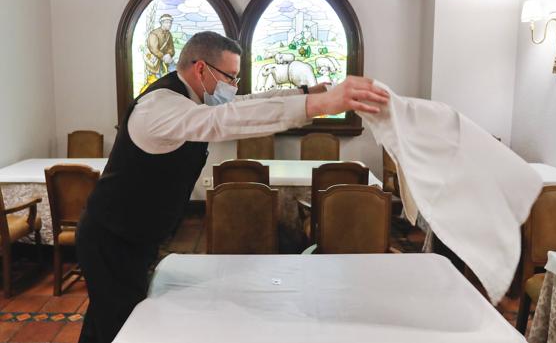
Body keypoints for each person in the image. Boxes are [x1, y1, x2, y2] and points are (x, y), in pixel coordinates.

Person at [76, 31, 389, 343]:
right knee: (118, 324)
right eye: (231, 77)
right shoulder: (159, 107)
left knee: (108, 318)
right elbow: (223, 120)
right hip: (111, 237)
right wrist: (317, 104)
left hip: (134, 234)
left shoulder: (191, 98)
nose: (234, 87)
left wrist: (304, 92)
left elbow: (244, 103)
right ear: (201, 69)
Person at [142, 14, 175, 91]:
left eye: (170, 22)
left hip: (165, 61)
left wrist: (169, 54)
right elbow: (154, 49)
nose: (169, 24)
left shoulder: (169, 34)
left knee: (173, 72)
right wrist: (163, 56)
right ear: (162, 23)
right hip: (155, 62)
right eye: (167, 22)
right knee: (156, 83)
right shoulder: (154, 34)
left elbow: (171, 48)